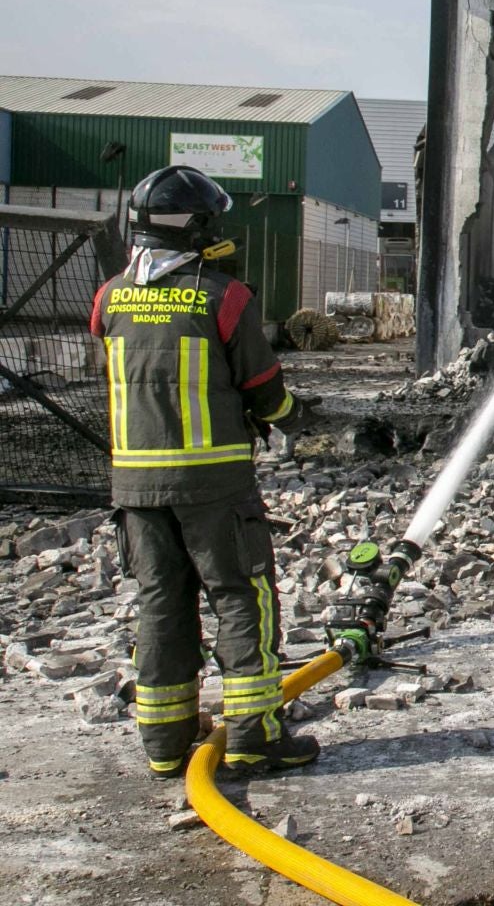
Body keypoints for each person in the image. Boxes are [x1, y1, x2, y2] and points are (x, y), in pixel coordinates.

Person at [90, 165, 319, 779]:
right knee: (242, 596)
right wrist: (299, 419)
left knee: (161, 602)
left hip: (135, 485)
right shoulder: (224, 295)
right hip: (213, 485)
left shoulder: (110, 296)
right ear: (195, 227)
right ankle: (254, 737)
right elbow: (264, 390)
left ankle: (165, 741)